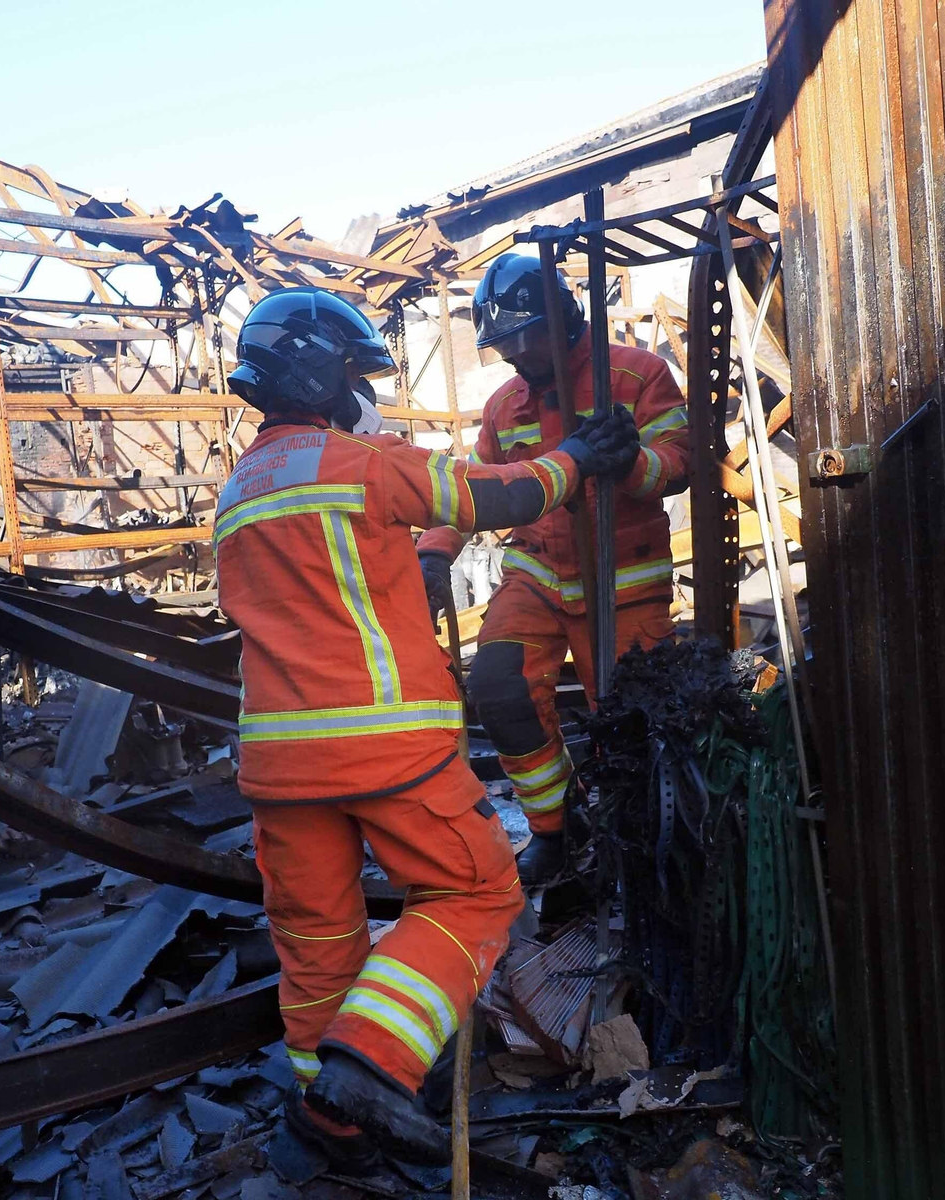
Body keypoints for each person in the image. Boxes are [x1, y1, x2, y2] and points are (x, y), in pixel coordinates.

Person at [214, 287, 639, 1168]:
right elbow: (500, 492)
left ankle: (327, 1124)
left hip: (276, 768)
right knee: (476, 894)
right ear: (324, 377)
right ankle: (371, 1069)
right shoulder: (358, 464)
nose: (364, 396)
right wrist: (579, 455)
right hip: (381, 745)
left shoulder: (239, 490)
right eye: (356, 377)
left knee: (319, 938)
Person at [417, 253, 689, 885]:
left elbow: (682, 462)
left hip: (622, 583)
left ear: (561, 317)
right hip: (537, 575)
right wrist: (433, 553)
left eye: (519, 339)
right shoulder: (504, 405)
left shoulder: (638, 373)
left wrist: (630, 464)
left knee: (628, 720)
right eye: (500, 344)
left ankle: (641, 842)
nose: (511, 355)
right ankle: (558, 830)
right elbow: (475, 494)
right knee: (500, 688)